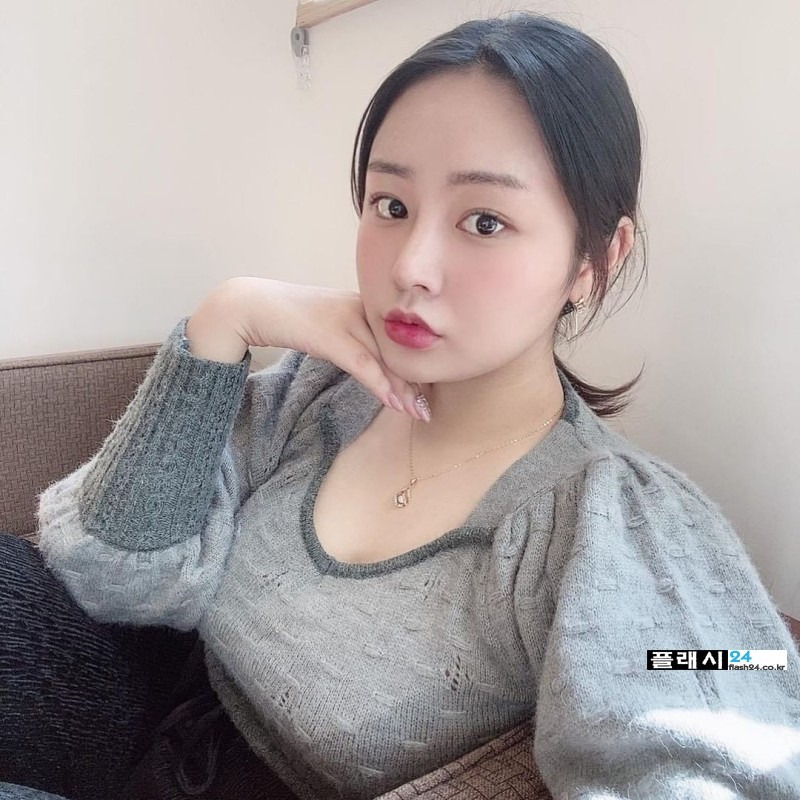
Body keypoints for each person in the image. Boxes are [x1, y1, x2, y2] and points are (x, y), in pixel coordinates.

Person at [3, 10, 799, 800]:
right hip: (157, 719)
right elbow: (109, 575)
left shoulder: (609, 516)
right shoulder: (317, 392)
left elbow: (739, 678)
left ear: (596, 261)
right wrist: (225, 320)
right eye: (390, 205)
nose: (411, 265)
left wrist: (731, 661)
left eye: (484, 221)